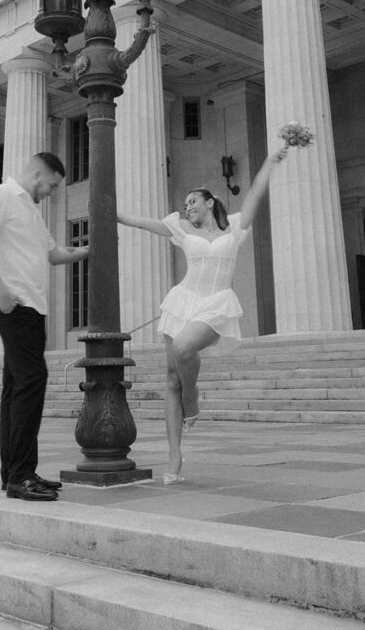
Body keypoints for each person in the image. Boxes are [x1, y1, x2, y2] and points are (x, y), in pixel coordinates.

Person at [118, 146, 288, 484]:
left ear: (210, 202)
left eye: (193, 202)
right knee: (170, 380)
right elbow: (145, 223)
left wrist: (270, 160)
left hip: (217, 302)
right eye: (185, 205)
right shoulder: (181, 229)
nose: (187, 207)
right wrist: (115, 214)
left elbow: (255, 193)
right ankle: (174, 457)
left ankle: (192, 400)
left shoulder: (236, 227)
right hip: (183, 300)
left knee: (184, 350)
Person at [0, 151, 89, 502]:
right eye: (52, 184)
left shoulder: (32, 211)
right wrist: (2, 292)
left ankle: (15, 473)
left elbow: (54, 254)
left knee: (16, 387)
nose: (52, 192)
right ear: (39, 173)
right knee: (31, 382)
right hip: (14, 305)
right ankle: (21, 476)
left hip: (31, 308)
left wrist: (90, 250)